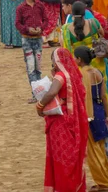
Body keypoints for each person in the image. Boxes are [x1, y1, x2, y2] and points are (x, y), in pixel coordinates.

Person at [36, 48, 89, 192]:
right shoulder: (74, 75)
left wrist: (39, 106)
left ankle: (64, 187)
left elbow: (52, 92)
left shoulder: (61, 76)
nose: (52, 62)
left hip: (60, 122)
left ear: (57, 60)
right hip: (72, 121)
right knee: (71, 156)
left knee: (61, 158)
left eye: (53, 59)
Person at [73, 46, 108, 191]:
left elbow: (86, 97)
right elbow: (104, 96)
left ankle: (103, 182)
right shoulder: (97, 71)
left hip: (90, 113)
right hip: (99, 111)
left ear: (79, 60)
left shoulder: (84, 74)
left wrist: (86, 117)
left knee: (93, 151)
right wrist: (107, 115)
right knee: (101, 148)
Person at [15, 0, 48, 103]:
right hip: (27, 40)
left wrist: (41, 28)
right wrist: (28, 29)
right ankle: (36, 93)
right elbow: (18, 23)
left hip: (36, 39)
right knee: (31, 67)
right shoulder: (21, 8)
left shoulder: (40, 6)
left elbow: (45, 20)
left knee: (37, 67)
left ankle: (38, 93)